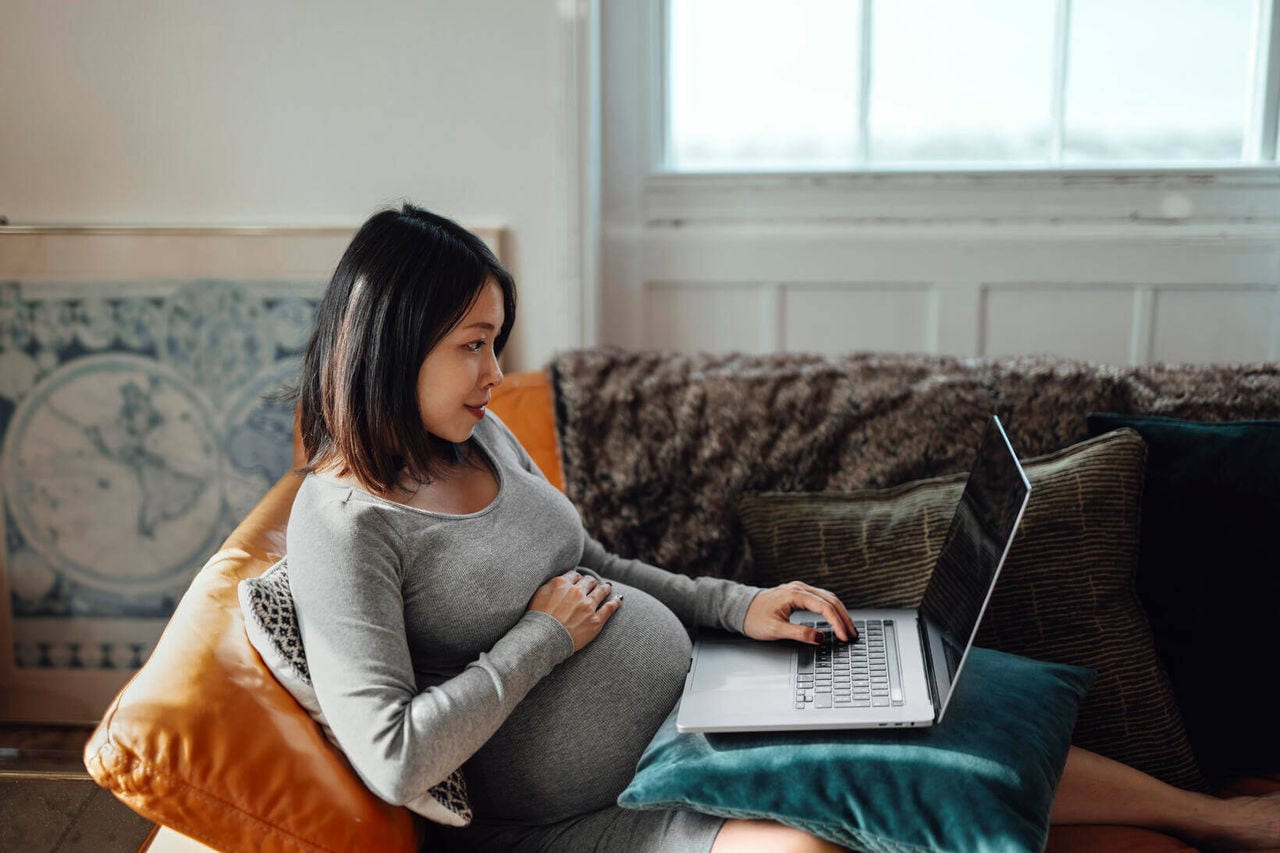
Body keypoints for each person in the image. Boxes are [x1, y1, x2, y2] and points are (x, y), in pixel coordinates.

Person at [286, 202, 1280, 852]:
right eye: (471, 347)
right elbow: (393, 754)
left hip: (696, 717)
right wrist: (542, 640)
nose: (493, 372)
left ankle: (1216, 819)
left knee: (941, 708)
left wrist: (741, 606)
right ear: (392, 343)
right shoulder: (343, 526)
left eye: (493, 342)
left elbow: (586, 564)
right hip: (597, 815)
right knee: (811, 845)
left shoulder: (476, 435)